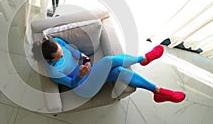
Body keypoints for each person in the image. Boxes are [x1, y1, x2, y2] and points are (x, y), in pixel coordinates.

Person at [33, 37, 185, 103]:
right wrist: (80, 75)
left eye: (60, 52)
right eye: (58, 58)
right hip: (83, 88)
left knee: (120, 71)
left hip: (88, 72)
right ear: (48, 60)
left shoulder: (57, 42)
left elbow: (72, 51)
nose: (62, 56)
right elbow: (73, 84)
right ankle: (142, 59)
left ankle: (157, 92)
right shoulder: (53, 72)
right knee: (107, 61)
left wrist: (82, 56)